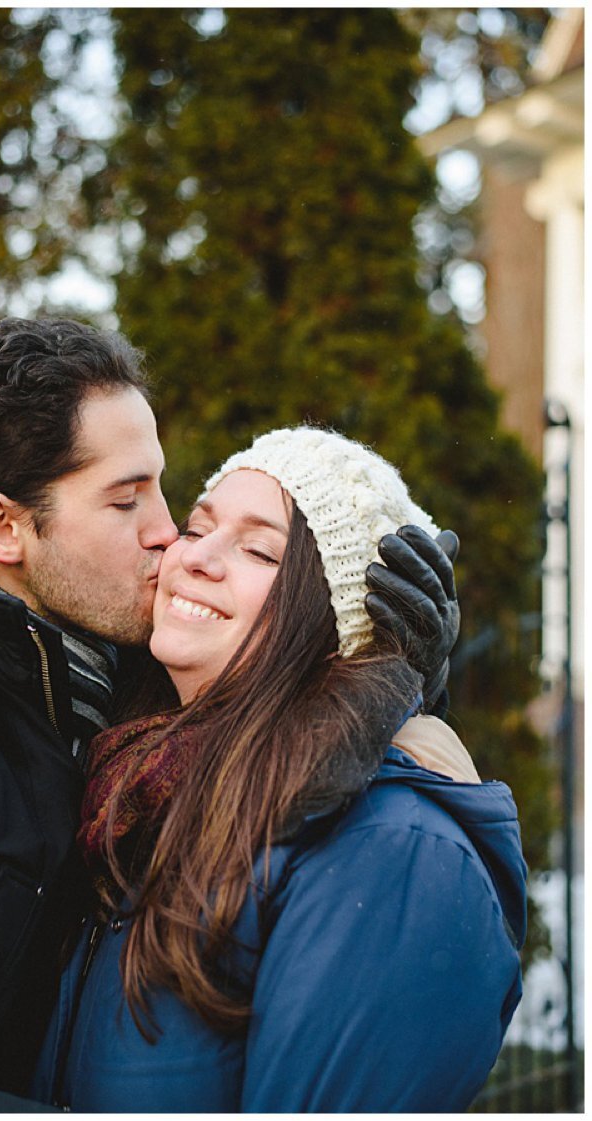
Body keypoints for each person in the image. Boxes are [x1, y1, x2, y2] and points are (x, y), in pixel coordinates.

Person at [0, 320, 464, 1110]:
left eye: (165, 490)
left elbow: (273, 691)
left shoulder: (71, 644)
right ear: (2, 529)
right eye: (127, 498)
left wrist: (395, 684)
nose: (171, 535)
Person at [33, 427, 525, 1110]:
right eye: (198, 526)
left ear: (339, 623)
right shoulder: (139, 795)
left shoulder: (395, 852)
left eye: (259, 548)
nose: (196, 557)